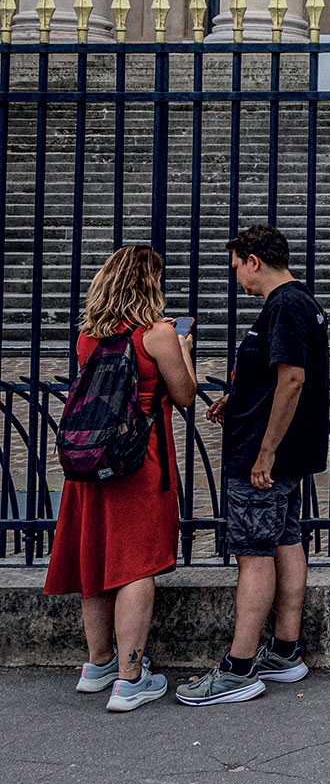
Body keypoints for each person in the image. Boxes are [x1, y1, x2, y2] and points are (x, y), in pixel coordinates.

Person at [176, 226, 330, 706]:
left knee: (253, 553)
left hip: (263, 458)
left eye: (238, 266)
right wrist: (238, 399)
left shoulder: (284, 306)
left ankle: (238, 668)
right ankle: (285, 651)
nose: (237, 277)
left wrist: (264, 453)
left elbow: (291, 380)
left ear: (255, 261)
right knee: (286, 540)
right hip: (283, 451)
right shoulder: (301, 303)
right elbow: (273, 379)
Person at [45, 247, 198, 712]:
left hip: (93, 460)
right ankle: (131, 679)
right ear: (149, 285)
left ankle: (98, 663)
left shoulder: (89, 335)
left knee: (96, 555)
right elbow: (185, 395)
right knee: (137, 564)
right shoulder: (158, 334)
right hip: (139, 460)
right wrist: (185, 351)